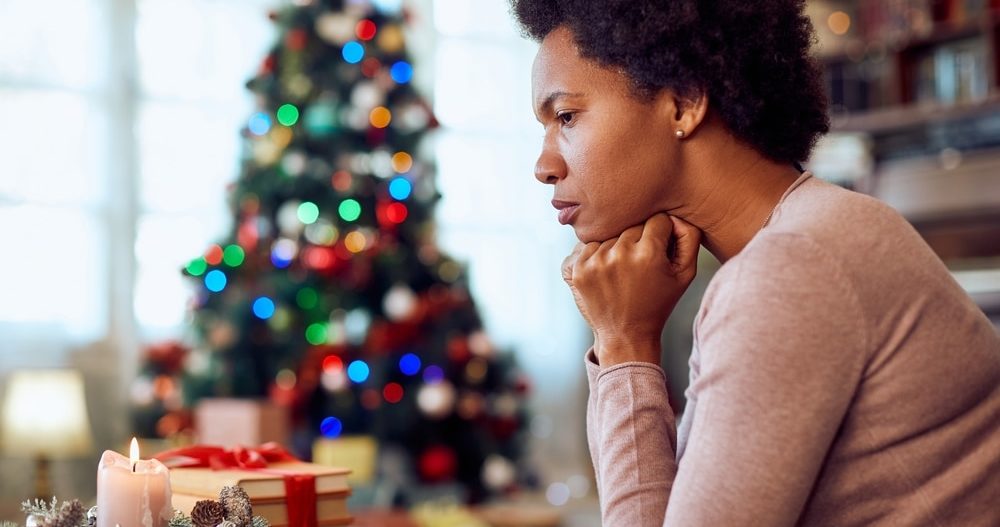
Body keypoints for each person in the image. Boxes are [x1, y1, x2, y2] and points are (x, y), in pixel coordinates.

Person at [509, 0, 1000, 525]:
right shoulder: (809, 238)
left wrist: (623, 344)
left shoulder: (791, 270)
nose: (544, 166)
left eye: (566, 117)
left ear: (683, 103)